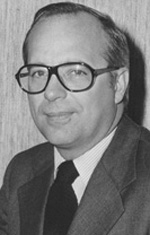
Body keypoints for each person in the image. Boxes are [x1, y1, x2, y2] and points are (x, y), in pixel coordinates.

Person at [0, 1, 150, 235]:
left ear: (118, 84)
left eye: (76, 72)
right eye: (39, 72)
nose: (50, 92)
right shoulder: (21, 172)